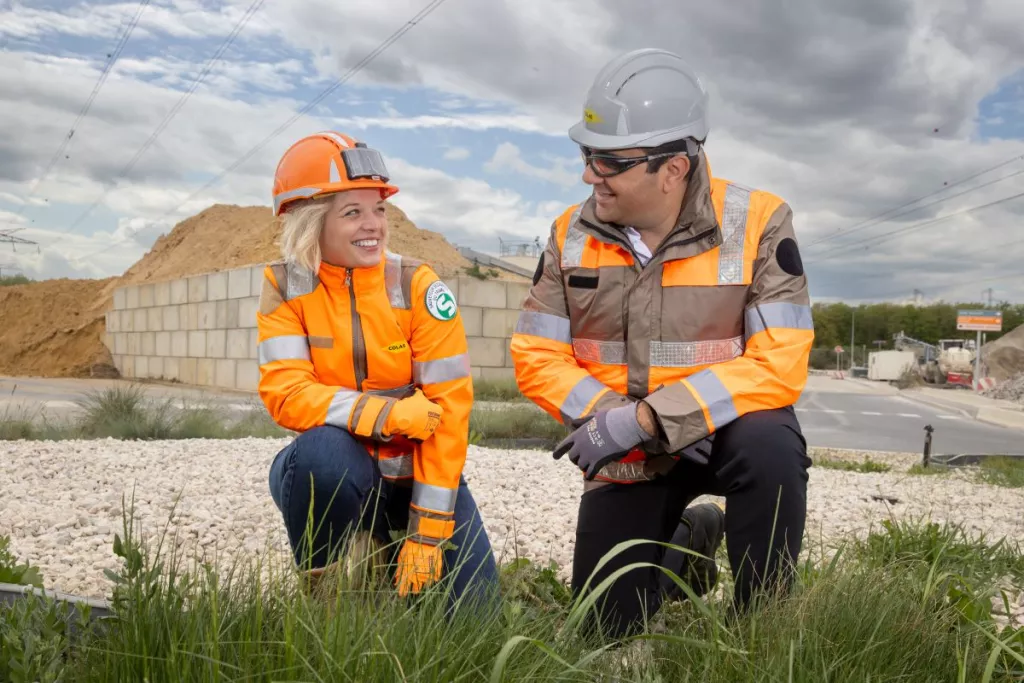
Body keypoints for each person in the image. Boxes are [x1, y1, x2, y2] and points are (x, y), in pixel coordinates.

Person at [510, 48, 815, 638]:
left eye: (609, 163)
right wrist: (610, 417)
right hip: (624, 444)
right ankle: (686, 547)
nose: (588, 176)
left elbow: (779, 361)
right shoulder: (567, 235)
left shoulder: (758, 220)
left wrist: (655, 417)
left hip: (727, 430)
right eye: (587, 156)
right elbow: (536, 352)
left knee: (772, 447)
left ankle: (762, 625)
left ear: (673, 167)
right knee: (605, 632)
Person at [257, 130, 498, 608]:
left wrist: (428, 535)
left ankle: (385, 553)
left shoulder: (417, 286)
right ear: (312, 224)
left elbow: (447, 415)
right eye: (353, 212)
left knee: (476, 619)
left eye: (379, 209)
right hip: (344, 471)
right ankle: (324, 600)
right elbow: (285, 392)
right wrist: (384, 416)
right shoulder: (286, 286)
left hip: (413, 475)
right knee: (319, 458)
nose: (374, 225)